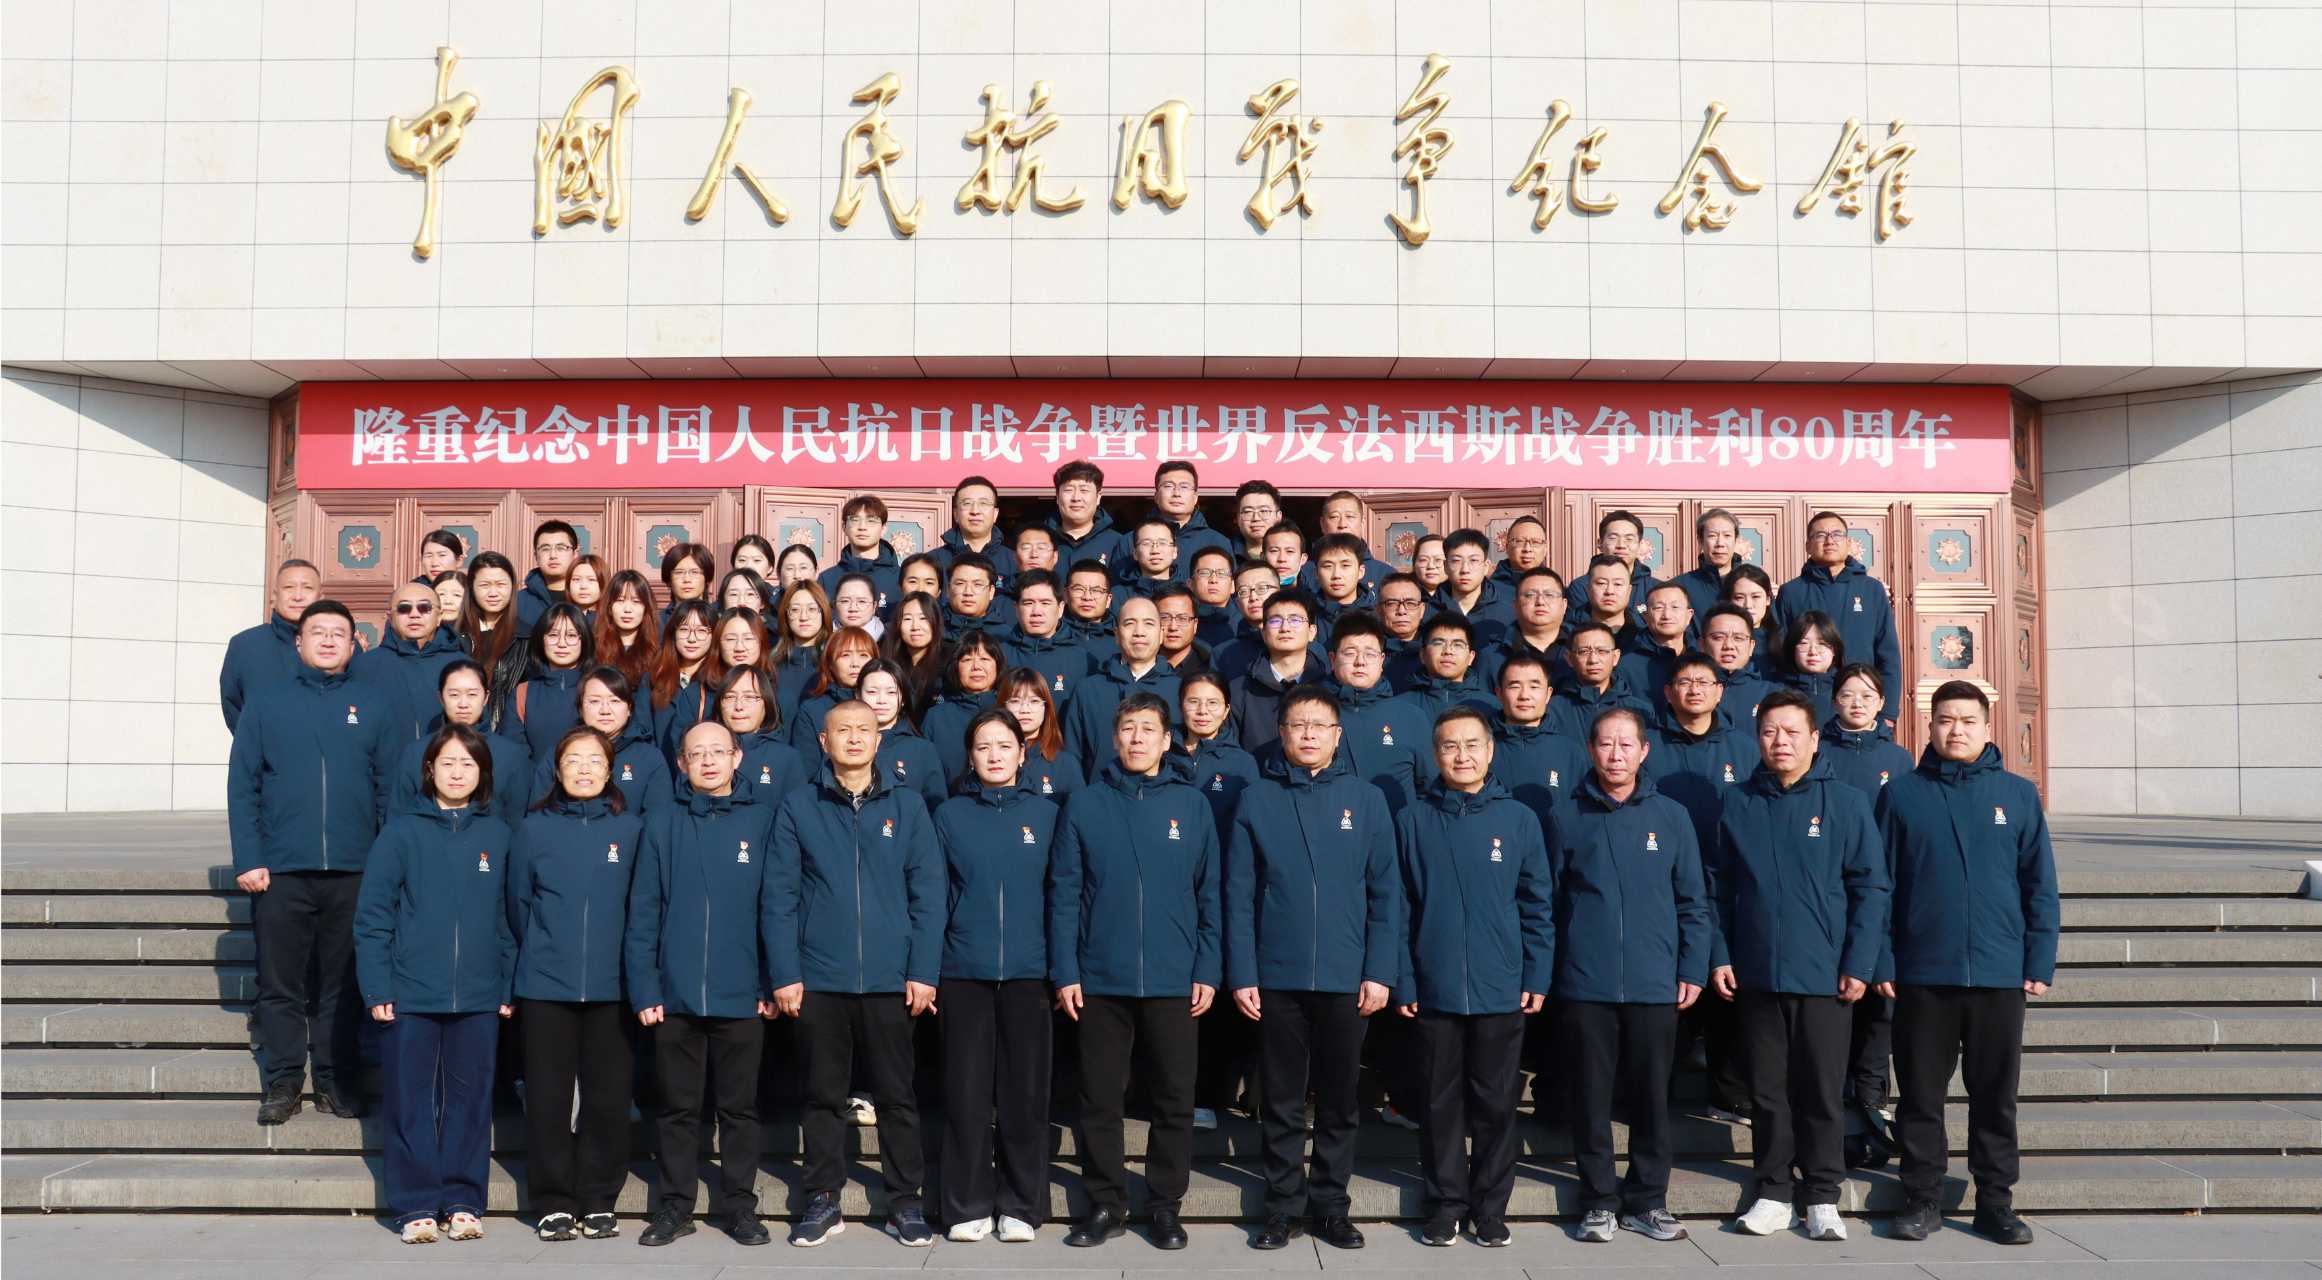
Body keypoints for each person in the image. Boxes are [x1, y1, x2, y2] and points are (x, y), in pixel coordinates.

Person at [1877, 681, 2059, 1247]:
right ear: (1929, 726)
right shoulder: (1901, 795)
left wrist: (2039, 956)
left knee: (1995, 1096)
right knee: (1920, 1096)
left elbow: (2039, 885)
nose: (1956, 730)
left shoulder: (2017, 795)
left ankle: (1995, 1202)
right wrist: (1881, 958)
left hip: (1999, 971)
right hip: (1922, 971)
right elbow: (1879, 886)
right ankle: (1921, 1197)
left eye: (1967, 720)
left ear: (1987, 726)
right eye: (1945, 720)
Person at [1707, 689, 1888, 1242]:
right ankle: (1772, 1191)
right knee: (1767, 1091)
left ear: (1814, 738)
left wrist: (1860, 961)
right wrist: (1720, 954)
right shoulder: (1738, 803)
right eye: (1769, 732)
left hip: (1825, 974)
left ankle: (1823, 1195)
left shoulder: (1846, 803)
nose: (1779, 742)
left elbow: (1870, 888)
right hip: (1757, 971)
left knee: (1822, 1090)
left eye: (1791, 732)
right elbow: (1716, 889)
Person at [1225, 687, 1399, 1252]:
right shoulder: (1257, 799)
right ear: (1281, 733)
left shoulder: (1367, 800)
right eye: (1297, 724)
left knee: (1340, 1099)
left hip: (1348, 977)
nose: (1307, 734)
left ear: (1337, 735)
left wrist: (1380, 970)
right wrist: (1243, 972)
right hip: (1277, 976)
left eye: (1319, 725)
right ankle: (1283, 1206)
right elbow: (1239, 895)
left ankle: (1330, 1205)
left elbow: (1386, 894)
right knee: (1280, 1098)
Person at [765, 699, 943, 1248]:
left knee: (896, 1096)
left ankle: (905, 1201)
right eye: (842, 730)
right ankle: (822, 1198)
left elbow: (928, 894)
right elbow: (779, 896)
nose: (854, 738)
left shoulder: (907, 806)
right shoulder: (799, 805)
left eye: (864, 730)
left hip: (891, 979)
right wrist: (785, 972)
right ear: (824, 741)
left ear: (878, 739)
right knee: (823, 1096)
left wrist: (923, 970)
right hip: (820, 976)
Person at [1049, 692, 1222, 1251]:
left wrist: (1208, 966)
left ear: (1168, 740)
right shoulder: (1086, 803)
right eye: (1128, 728)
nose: (1138, 738)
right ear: (1114, 737)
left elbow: (1210, 893)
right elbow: (1065, 893)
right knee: (1100, 1098)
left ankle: (1165, 1204)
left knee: (1174, 1097)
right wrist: (1066, 970)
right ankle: (1106, 1202)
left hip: (1175, 976)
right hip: (1101, 977)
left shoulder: (1192, 805)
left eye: (1149, 728)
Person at [227, 599, 402, 1125]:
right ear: (299, 642)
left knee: (341, 984)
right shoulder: (267, 703)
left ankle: (334, 1079)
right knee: (279, 983)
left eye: (338, 633)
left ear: (354, 644)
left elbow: (388, 791)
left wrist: (385, 863)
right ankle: (283, 1080)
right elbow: (244, 786)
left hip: (354, 870)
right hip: (281, 870)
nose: (328, 640)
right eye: (318, 632)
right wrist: (250, 857)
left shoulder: (373, 705)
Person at [1550, 707, 1711, 1247]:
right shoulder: (1565, 815)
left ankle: (1647, 1200)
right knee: (1590, 1097)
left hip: (1654, 981)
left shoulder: (1671, 816)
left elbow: (1693, 900)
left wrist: (1691, 965)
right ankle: (1598, 1200)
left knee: (1651, 1097)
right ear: (1590, 750)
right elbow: (1548, 902)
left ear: (1644, 751)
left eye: (1626, 745)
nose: (1615, 754)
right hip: (1585, 982)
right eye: (1605, 744)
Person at [1392, 706, 1552, 1249]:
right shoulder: (1413, 819)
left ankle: (1490, 1208)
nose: (1461, 756)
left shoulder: (1519, 819)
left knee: (1495, 1103)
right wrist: (1405, 978)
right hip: (1433, 986)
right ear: (1435, 754)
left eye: (1471, 745)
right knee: (1438, 1104)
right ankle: (1444, 1205)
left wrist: (1536, 974)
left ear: (1490, 750)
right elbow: (1399, 907)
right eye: (1449, 746)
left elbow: (1537, 905)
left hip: (1500, 985)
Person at [354, 724, 515, 1246]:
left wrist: (506, 986)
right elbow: (373, 917)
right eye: (447, 763)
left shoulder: (498, 836)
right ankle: (415, 1203)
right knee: (411, 1100)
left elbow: (508, 920)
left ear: (482, 773)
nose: (457, 772)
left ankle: (464, 1199)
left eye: (468, 764)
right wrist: (378, 987)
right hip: (411, 991)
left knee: (471, 1101)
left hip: (479, 994)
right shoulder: (401, 833)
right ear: (429, 770)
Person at [624, 720, 780, 1249]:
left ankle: (740, 1206)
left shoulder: (762, 820)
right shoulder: (662, 822)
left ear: (738, 757)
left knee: (739, 1108)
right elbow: (644, 910)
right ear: (681, 764)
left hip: (743, 992)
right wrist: (646, 987)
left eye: (718, 751)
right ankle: (675, 1206)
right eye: (697, 754)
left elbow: (775, 907)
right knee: (678, 1108)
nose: (708, 761)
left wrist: (771, 979)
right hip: (676, 993)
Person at [507, 726, 646, 1243]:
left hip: (613, 986)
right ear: (556, 770)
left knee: (608, 1099)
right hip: (546, 984)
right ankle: (552, 1201)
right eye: (573, 760)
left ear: (610, 771)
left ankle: (598, 1198)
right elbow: (518, 904)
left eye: (594, 761)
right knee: (548, 1097)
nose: (584, 769)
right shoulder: (533, 829)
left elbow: (640, 907)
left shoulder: (631, 830)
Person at [932, 711, 1062, 1243]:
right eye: (983, 746)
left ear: (1022, 752)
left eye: (1004, 745)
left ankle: (1021, 1204)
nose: (993, 755)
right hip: (964, 970)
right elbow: (935, 896)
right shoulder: (949, 815)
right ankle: (966, 1205)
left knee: (1024, 1095)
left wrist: (1060, 968)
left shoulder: (1048, 814)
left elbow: (1061, 896)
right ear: (969, 755)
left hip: (1030, 972)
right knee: (965, 1094)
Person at [1818, 661, 1914, 1168]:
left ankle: (1873, 1102)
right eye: (1848, 694)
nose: (1857, 703)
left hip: (1884, 890)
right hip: (1832, 890)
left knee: (1881, 1008)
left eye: (1867, 695)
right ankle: (1837, 1113)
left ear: (1881, 703)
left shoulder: (1898, 759)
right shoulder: (1820, 752)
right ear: (1833, 699)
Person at [1778, 513, 1902, 727]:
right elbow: (1780, 652)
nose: (1829, 541)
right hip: (1806, 703)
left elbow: (1888, 653)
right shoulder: (1792, 592)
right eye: (1820, 535)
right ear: (1808, 546)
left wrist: (1888, 712)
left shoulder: (1871, 589)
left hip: (1860, 704)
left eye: (1837, 534)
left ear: (1849, 543)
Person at [394, 660, 534, 823]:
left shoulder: (511, 756)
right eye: (454, 695)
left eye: (472, 694)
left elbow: (517, 821)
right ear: (441, 698)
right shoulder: (416, 752)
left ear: (486, 697)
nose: (463, 704)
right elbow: (398, 816)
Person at [1325, 612, 1433, 812]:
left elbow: (1429, 788)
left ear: (1382, 660)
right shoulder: (1315, 715)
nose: (1360, 661)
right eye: (1350, 653)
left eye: (1370, 654)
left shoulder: (1410, 716)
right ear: (1332, 659)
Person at [1059, 595, 1180, 769]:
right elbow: (1072, 758)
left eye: (1148, 623)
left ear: (1161, 634)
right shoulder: (1088, 690)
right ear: (1116, 634)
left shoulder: (1179, 691)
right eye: (1129, 623)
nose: (1139, 632)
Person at [355, 579, 464, 740]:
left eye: (424, 608)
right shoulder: (365, 665)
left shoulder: (461, 666)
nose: (414, 614)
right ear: (390, 618)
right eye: (404, 608)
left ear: (439, 616)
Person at [221, 559, 322, 731]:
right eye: (289, 587)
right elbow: (233, 705)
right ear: (274, 596)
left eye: (307, 588)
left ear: (320, 597)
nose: (298, 596)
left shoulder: (341, 646)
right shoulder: (245, 645)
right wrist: (255, 742)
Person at [1490, 650, 1587, 825]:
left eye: (1534, 687)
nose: (1524, 696)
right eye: (1514, 686)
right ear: (1499, 693)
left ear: (1548, 694)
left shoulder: (1570, 752)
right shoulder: (1483, 749)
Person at [1227, 589, 1328, 757]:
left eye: (1295, 620)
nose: (1285, 628)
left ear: (1312, 632)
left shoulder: (1328, 687)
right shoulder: (1239, 690)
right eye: (1275, 621)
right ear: (1263, 633)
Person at [856, 658, 947, 811]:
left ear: (903, 698)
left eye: (891, 692)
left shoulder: (922, 750)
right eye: (872, 692)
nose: (881, 700)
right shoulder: (845, 743)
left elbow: (935, 809)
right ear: (858, 695)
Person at [787, 625, 878, 773]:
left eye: (863, 655)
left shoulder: (885, 704)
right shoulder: (812, 710)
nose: (855, 663)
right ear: (830, 664)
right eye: (845, 655)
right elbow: (806, 770)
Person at [713, 666, 805, 807]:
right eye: (730, 697)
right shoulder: (702, 753)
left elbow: (797, 813)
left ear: (766, 703)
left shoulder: (786, 758)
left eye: (749, 697)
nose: (739, 706)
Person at [514, 602, 594, 762]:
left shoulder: (598, 688)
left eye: (571, 636)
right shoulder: (523, 692)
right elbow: (514, 752)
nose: (562, 644)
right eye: (553, 635)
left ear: (583, 639)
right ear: (541, 639)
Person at [1546, 621, 1651, 740]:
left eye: (1602, 651)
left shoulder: (1640, 711)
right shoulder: (1553, 710)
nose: (1593, 660)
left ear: (1615, 657)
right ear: (1569, 658)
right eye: (1584, 652)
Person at [923, 631, 1005, 783]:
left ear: (998, 666)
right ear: (956, 667)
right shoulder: (936, 717)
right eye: (967, 660)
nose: (976, 667)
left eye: (984, 659)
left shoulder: (1009, 711)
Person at [1002, 568, 1094, 703]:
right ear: (1016, 609)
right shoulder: (999, 656)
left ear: (1060, 608)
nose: (1036, 612)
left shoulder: (1084, 660)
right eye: (1028, 603)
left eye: (1045, 603)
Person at [458, 552, 526, 731]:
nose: (493, 593)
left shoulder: (527, 638)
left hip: (505, 735)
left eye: (501, 584)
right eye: (484, 585)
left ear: (513, 587)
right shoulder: (453, 636)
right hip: (458, 733)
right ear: (471, 588)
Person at [999, 666, 1085, 799]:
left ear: (1046, 708)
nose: (1025, 709)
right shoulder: (992, 759)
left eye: (1034, 701)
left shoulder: (1065, 764)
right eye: (1015, 701)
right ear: (1003, 706)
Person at [1395, 612, 1496, 725]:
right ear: (1422, 655)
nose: (1448, 651)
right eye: (1438, 643)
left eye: (1457, 645)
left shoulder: (1492, 707)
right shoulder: (1400, 706)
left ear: (1471, 657)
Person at [1138, 460, 1233, 580]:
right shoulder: (1132, 540)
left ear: (1195, 498)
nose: (1176, 493)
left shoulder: (1217, 542)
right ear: (1156, 497)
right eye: (1168, 486)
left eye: (1184, 487)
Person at [647, 601, 716, 759]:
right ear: (673, 633)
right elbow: (643, 730)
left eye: (701, 631)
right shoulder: (654, 677)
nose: (691, 639)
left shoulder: (720, 682)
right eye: (684, 630)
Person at [1481, 566, 1568, 690]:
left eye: (1549, 595)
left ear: (1564, 605)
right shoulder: (1492, 656)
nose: (1540, 602)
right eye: (1530, 595)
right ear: (1515, 605)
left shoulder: (1581, 650)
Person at [1565, 510, 1657, 625]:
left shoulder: (1655, 588)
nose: (1621, 545)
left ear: (1639, 545)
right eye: (1613, 538)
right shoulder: (1580, 586)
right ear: (1600, 543)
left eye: (1629, 539)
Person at [818, 494, 903, 607]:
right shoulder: (827, 579)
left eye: (871, 521)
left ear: (883, 529)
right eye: (855, 520)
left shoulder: (901, 578)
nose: (862, 527)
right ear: (844, 527)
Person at [934, 475, 1018, 587]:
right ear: (956, 514)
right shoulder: (934, 561)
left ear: (995, 514)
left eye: (983, 503)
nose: (975, 511)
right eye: (967, 503)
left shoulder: (1014, 562)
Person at [769, 580, 832, 727]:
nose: (803, 617)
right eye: (795, 610)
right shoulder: (770, 665)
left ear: (823, 612)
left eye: (812, 609)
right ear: (786, 614)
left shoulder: (834, 662)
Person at [1618, 582, 1695, 699]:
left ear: (1689, 616)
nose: (1667, 615)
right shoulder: (1626, 665)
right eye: (1658, 608)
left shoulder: (1702, 658)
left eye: (1675, 607)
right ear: (1646, 616)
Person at [1700, 604, 1772, 722]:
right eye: (1718, 637)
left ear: (1751, 646)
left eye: (1738, 638)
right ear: (1702, 644)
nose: (1728, 646)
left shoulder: (1772, 694)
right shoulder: (1690, 692)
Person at [1047, 460, 1124, 570]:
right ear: (1058, 497)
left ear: (1098, 497)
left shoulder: (1118, 543)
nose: (1076, 498)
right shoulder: (1041, 540)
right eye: (1069, 490)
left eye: (1084, 490)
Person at [593, 569, 661, 694]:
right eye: (620, 600)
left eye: (636, 602)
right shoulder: (594, 649)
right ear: (609, 607)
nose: (627, 609)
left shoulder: (658, 652)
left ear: (646, 608)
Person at [881, 593, 946, 715]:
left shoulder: (949, 662)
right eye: (907, 619)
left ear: (936, 622)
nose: (915, 627)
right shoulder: (886, 659)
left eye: (923, 618)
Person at [1437, 530, 1508, 641]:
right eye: (1456, 561)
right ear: (1445, 566)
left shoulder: (1506, 613)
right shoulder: (1428, 611)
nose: (1465, 569)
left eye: (1473, 560)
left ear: (1486, 566)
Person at [1675, 507, 1747, 617]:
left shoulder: (1754, 583)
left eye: (1727, 536)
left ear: (1736, 540)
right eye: (1712, 536)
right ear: (1700, 541)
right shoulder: (1680, 587)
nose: (1720, 543)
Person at [1779, 610, 1845, 724]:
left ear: (1834, 650)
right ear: (1792, 649)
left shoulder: (1846, 691)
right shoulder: (1778, 692)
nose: (1813, 652)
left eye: (1822, 644)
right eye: (1804, 643)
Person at [517, 520, 579, 636]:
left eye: (561, 548)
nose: (553, 555)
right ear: (536, 556)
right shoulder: (518, 602)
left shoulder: (589, 597)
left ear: (575, 554)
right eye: (545, 549)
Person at [1374, 571, 1431, 692]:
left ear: (1422, 610)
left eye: (1410, 603)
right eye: (1391, 604)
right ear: (1378, 610)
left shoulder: (1435, 650)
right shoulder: (1367, 652)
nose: (1401, 611)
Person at [1307, 533, 1377, 629]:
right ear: (1316, 573)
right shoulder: (1305, 615)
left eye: (1345, 566)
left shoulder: (1378, 617)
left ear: (1360, 572)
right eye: (1328, 566)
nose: (1336, 575)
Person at [942, 551, 1013, 634]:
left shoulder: (1005, 636)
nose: (968, 592)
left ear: (991, 592)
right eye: (960, 583)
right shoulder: (933, 629)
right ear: (948, 589)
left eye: (977, 584)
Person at [1575, 554, 1639, 643]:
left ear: (1629, 591)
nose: (1609, 591)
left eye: (1618, 584)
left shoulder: (1643, 637)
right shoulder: (1568, 635)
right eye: (1601, 583)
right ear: (1588, 589)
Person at [1187, 545, 1241, 649]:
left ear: (1233, 586)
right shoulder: (1180, 622)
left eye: (1221, 573)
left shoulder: (1245, 622)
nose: (1213, 580)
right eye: (1204, 573)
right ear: (1190, 584)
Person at [1152, 583, 1209, 674]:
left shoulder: (1210, 669)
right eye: (1164, 618)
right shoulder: (1137, 666)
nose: (1173, 627)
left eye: (1182, 619)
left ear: (1195, 625)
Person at [1120, 517, 1180, 597]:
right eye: (1146, 543)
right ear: (1135, 553)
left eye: (1162, 543)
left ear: (1175, 551)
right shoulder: (1119, 595)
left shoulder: (1186, 594)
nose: (1155, 550)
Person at [1062, 561, 1116, 649]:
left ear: (1108, 600)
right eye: (1079, 589)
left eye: (1096, 591)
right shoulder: (1050, 634)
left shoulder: (1121, 639)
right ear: (1066, 595)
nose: (1087, 597)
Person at [658, 542, 715, 623]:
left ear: (707, 578)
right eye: (679, 572)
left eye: (695, 572)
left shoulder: (719, 620)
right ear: (669, 579)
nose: (687, 579)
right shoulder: (656, 622)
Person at [1231, 480, 1283, 562]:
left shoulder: (1294, 558)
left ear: (1278, 517)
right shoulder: (1226, 554)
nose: (1256, 518)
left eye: (1264, 511)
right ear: (1238, 518)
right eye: (1248, 512)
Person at [831, 573, 884, 640]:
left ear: (874, 606)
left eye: (862, 601)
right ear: (834, 605)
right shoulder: (823, 639)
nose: (853, 608)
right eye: (845, 601)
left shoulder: (887, 640)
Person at [1260, 520, 1309, 587]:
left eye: (1290, 551)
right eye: (1274, 551)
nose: (1282, 559)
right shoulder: (1251, 593)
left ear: (1303, 559)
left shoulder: (1312, 592)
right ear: (1263, 557)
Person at [565, 553, 608, 619]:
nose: (583, 586)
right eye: (576, 579)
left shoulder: (612, 620)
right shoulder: (558, 618)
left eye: (591, 580)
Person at [1410, 533, 1449, 598]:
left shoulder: (1461, 596)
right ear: (1414, 564)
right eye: (1423, 560)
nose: (1431, 566)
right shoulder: (1401, 595)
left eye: (1438, 560)